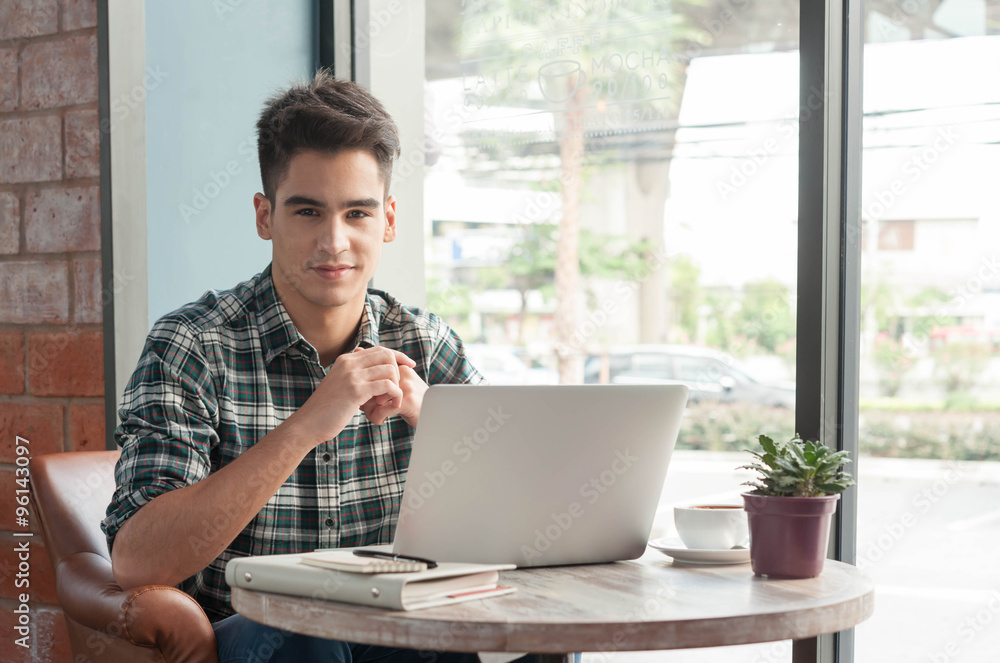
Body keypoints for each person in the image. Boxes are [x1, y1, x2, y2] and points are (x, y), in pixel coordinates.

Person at [102, 70, 494, 662]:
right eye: (308, 212)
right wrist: (306, 427)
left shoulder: (427, 344)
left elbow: (524, 528)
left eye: (357, 214)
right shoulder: (192, 345)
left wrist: (439, 423)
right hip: (260, 636)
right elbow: (138, 561)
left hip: (400, 631)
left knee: (497, 636)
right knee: (308, 626)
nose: (334, 242)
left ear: (388, 219)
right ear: (266, 216)